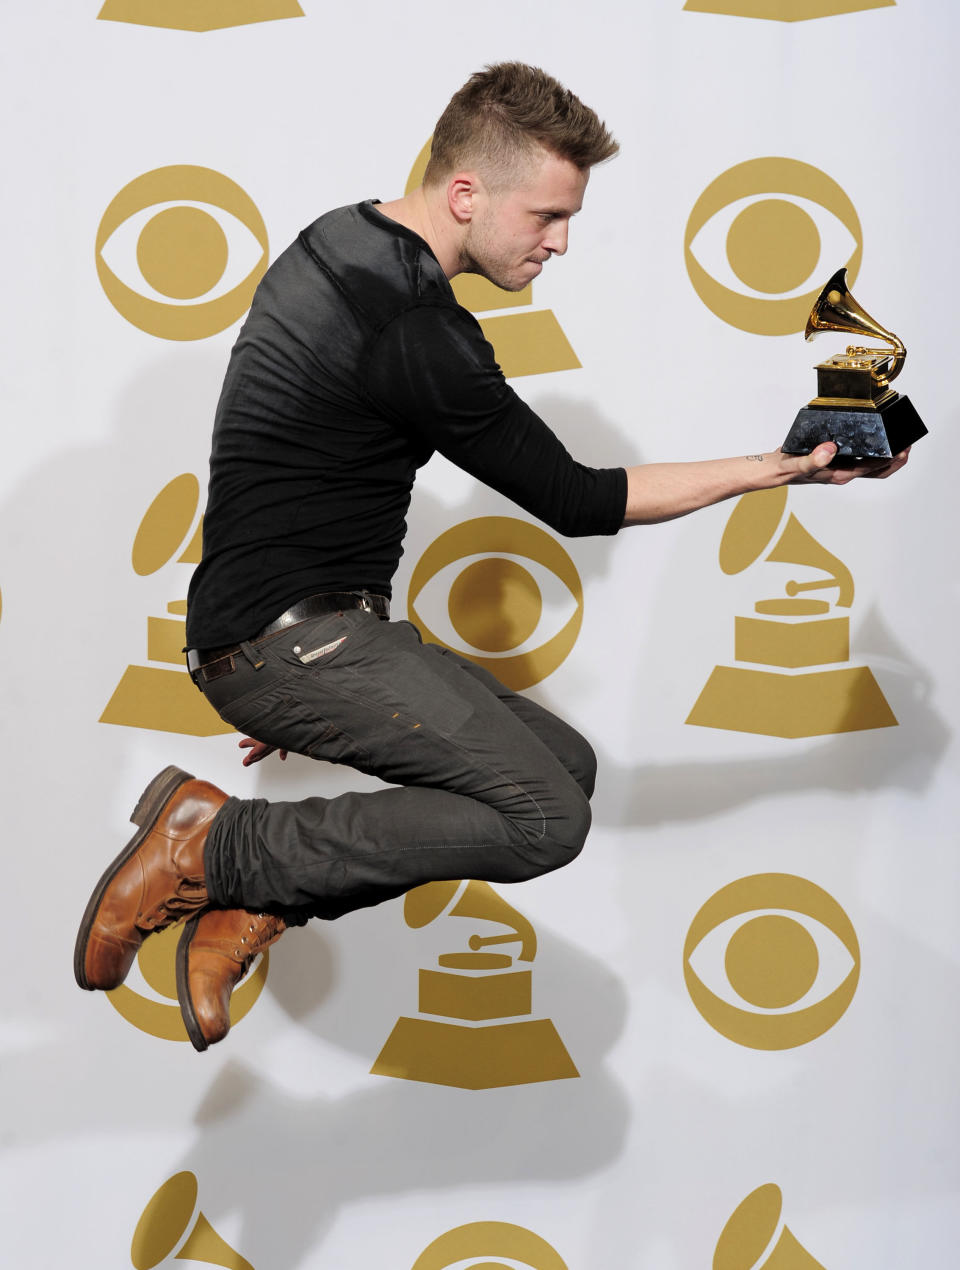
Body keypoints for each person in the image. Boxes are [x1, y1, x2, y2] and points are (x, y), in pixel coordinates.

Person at [74, 63, 907, 1052]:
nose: (559, 242)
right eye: (547, 215)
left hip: (281, 626)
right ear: (466, 193)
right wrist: (781, 468)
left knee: (567, 764)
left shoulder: (339, 239)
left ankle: (255, 893)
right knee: (546, 821)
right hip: (290, 638)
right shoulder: (422, 331)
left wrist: (316, 685)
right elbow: (579, 499)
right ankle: (220, 849)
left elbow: (275, 449)